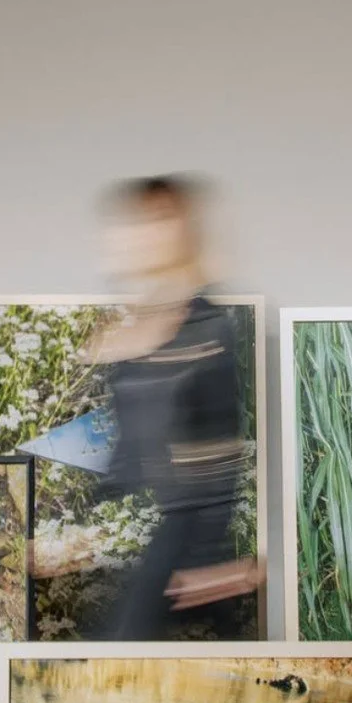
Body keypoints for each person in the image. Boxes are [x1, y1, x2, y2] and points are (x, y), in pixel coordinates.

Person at [88, 174, 260, 640]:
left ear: (183, 230)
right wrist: (87, 522)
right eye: (137, 222)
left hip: (180, 538)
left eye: (159, 220)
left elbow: (219, 452)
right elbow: (130, 445)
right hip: (133, 534)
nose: (142, 234)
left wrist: (208, 561)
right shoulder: (136, 329)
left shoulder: (206, 328)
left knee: (114, 667)